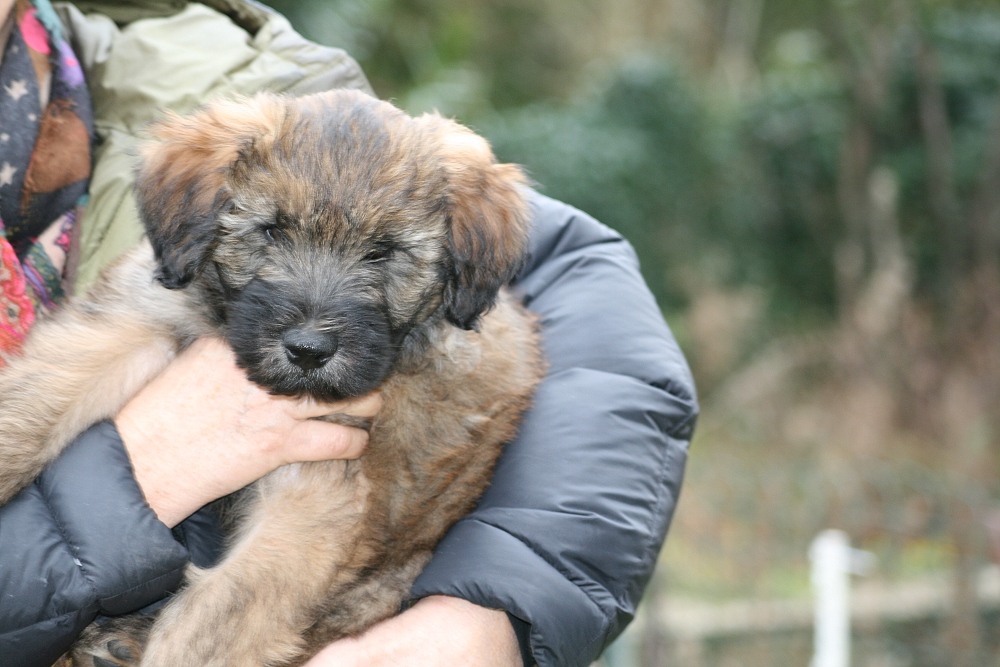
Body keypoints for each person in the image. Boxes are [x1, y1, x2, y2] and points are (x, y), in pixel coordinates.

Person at [0, 1, 698, 666]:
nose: (311, 324)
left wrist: (494, 606)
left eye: (383, 256)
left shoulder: (227, 70)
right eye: (269, 235)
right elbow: (68, 374)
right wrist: (137, 471)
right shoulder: (202, 187)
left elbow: (583, 284)